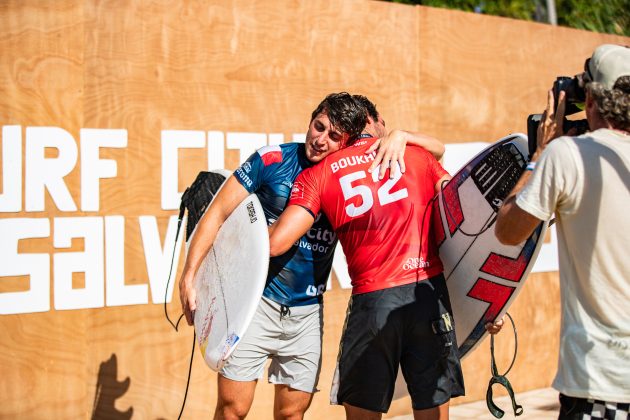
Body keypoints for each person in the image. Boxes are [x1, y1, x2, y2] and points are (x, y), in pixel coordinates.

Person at [178, 92, 445, 420]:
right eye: (318, 126)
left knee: (293, 413)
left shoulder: (349, 173)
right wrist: (190, 275)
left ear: (346, 142)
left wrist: (400, 135)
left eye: (333, 136)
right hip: (255, 305)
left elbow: (435, 151)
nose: (319, 140)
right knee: (233, 409)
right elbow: (218, 212)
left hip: (305, 314)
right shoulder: (272, 160)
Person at [268, 127, 472, 418]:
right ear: (373, 123)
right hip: (428, 294)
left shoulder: (321, 172)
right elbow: (461, 209)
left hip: (373, 300)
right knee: (432, 409)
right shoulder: (418, 156)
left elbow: (277, 242)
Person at [495, 44, 630, 419]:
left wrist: (540, 154)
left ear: (589, 99)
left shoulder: (566, 156)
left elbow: (508, 229)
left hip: (602, 382)